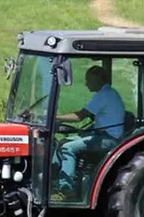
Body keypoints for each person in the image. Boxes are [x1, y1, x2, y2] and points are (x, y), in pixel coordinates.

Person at [52, 65, 125, 199]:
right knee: (62, 142)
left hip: (108, 139)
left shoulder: (104, 95)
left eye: (88, 80)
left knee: (68, 148)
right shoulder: (108, 93)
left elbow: (80, 116)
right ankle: (54, 181)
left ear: (98, 79)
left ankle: (66, 188)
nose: (86, 84)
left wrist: (53, 117)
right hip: (102, 135)